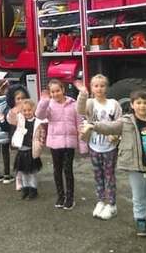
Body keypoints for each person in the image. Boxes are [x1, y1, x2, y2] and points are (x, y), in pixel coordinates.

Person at [80, 90, 146, 237]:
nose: (142, 106)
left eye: (145, 103)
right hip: (135, 167)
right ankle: (140, 220)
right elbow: (109, 127)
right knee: (138, 196)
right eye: (138, 103)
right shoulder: (126, 121)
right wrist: (93, 126)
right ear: (132, 105)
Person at [75, 75, 123, 220]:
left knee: (109, 176)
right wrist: (83, 94)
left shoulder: (113, 104)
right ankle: (101, 201)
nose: (99, 88)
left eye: (102, 85)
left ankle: (112, 204)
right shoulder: (90, 103)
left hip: (109, 147)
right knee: (98, 175)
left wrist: (115, 136)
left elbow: (120, 123)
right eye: (95, 86)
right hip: (94, 145)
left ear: (106, 87)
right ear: (91, 88)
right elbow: (80, 110)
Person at [36, 79, 88, 210]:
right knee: (57, 171)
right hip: (54, 144)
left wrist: (82, 145)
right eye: (52, 92)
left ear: (63, 90)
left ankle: (70, 198)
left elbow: (80, 124)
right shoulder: (49, 104)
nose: (55, 94)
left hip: (69, 144)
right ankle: (60, 196)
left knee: (68, 170)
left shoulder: (73, 104)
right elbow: (40, 115)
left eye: (58, 90)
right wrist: (43, 101)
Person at [0, 99, 46, 199]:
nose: (27, 112)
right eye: (24, 110)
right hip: (22, 150)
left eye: (29, 110)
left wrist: (41, 143)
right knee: (23, 172)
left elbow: (42, 133)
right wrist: (13, 111)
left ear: (33, 110)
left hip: (31, 150)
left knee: (32, 173)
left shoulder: (38, 122)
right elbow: (11, 119)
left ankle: (33, 190)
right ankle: (25, 189)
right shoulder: (20, 119)